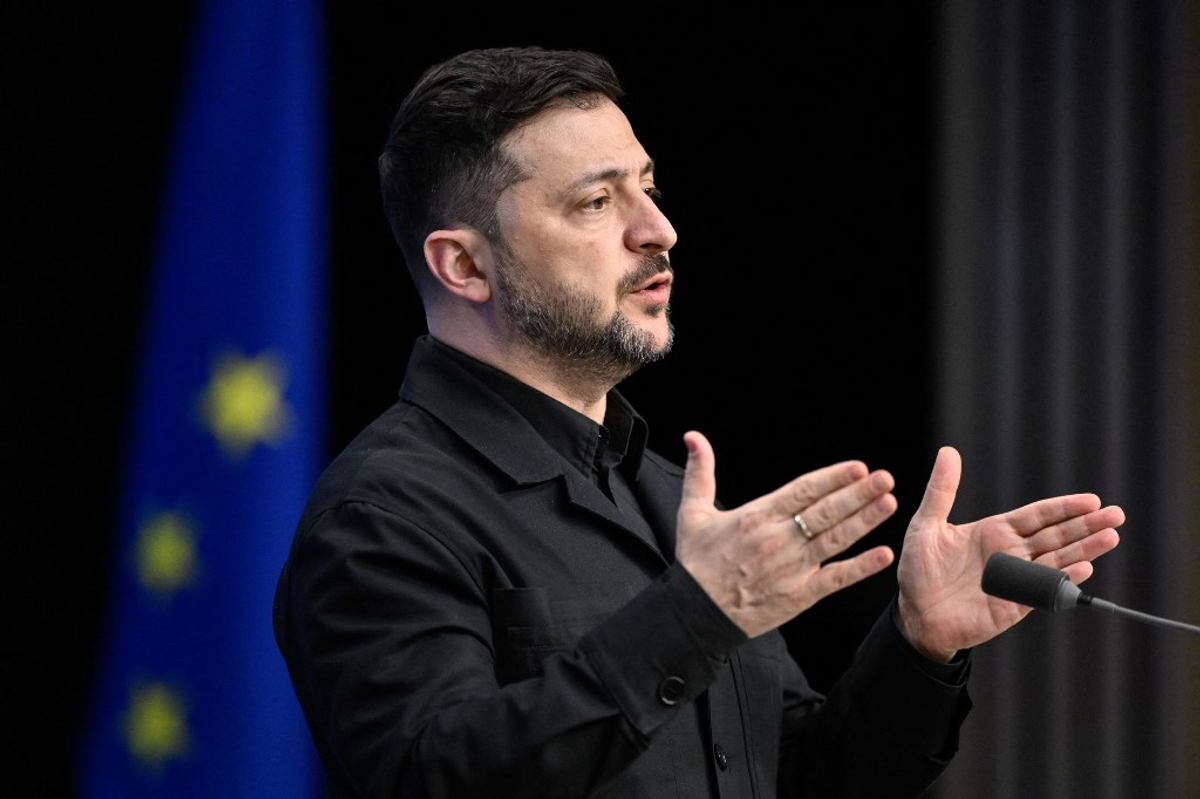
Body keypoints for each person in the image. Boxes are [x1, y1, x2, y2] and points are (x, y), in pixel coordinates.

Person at [272, 45, 1124, 798]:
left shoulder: (664, 491)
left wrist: (917, 646)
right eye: (596, 202)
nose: (660, 230)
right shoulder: (380, 515)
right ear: (464, 264)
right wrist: (694, 616)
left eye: (647, 187)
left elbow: (803, 778)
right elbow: (440, 779)